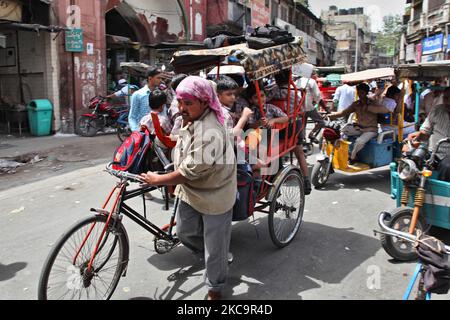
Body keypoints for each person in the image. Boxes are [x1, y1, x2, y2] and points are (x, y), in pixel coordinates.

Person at [140, 76, 237, 300]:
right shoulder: (191, 117)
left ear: (204, 102)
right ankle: (215, 257)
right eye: (180, 102)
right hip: (191, 190)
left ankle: (215, 287)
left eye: (189, 103)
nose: (182, 107)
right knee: (184, 231)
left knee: (215, 249)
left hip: (216, 193)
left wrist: (157, 180)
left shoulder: (210, 130)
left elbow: (189, 171)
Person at [328, 83, 387, 165]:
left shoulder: (373, 103)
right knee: (341, 130)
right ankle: (340, 152)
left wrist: (370, 108)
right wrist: (331, 115)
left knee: (359, 141)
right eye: (358, 93)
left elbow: (384, 110)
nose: (360, 95)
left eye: (362, 93)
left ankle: (353, 157)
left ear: (366, 93)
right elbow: (343, 112)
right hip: (359, 128)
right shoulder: (356, 104)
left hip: (371, 130)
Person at [406, 87, 450, 182]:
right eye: (446, 98)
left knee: (447, 166)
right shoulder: (436, 110)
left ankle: (443, 195)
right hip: (432, 153)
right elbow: (425, 132)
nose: (448, 102)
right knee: (409, 162)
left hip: (448, 156)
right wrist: (416, 136)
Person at [128, 67, 163, 131]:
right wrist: (136, 131)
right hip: (143, 133)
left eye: (161, 78)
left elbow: (163, 113)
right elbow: (132, 117)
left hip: (159, 134)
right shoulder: (138, 95)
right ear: (150, 78)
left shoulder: (161, 94)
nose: (161, 80)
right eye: (158, 78)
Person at [296, 74, 327, 144]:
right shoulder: (311, 81)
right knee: (321, 122)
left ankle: (303, 139)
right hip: (308, 107)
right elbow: (318, 97)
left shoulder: (297, 81)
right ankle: (311, 134)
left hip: (298, 107)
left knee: (303, 124)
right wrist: (326, 109)